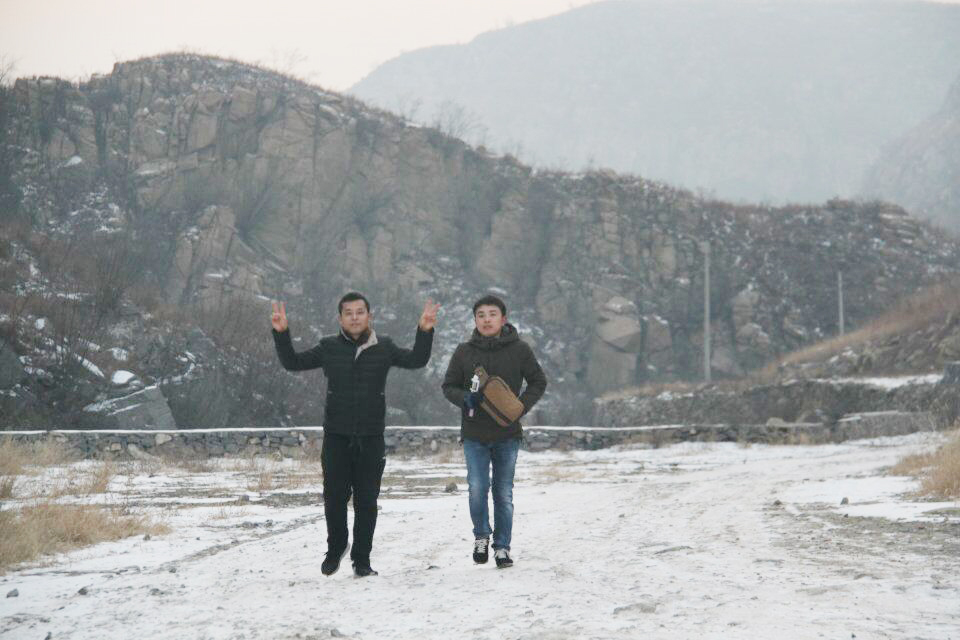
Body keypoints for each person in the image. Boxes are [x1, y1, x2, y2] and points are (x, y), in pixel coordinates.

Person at [271, 292, 439, 577]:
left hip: (371, 436)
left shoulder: (384, 347)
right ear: (340, 319)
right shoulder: (328, 347)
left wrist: (425, 330)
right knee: (334, 497)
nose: (354, 317)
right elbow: (293, 363)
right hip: (336, 435)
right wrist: (281, 333)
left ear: (369, 316)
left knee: (367, 501)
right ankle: (336, 547)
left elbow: (416, 360)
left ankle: (362, 560)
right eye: (348, 313)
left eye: (360, 312)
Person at [441, 294, 547, 569]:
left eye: (492, 314)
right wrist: (465, 398)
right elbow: (448, 386)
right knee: (477, 488)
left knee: (503, 493)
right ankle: (481, 536)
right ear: (475, 320)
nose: (486, 320)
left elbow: (538, 381)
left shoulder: (520, 350)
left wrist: (520, 407)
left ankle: (502, 548)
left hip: (507, 434)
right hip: (474, 434)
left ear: (503, 319)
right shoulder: (464, 351)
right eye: (481, 315)